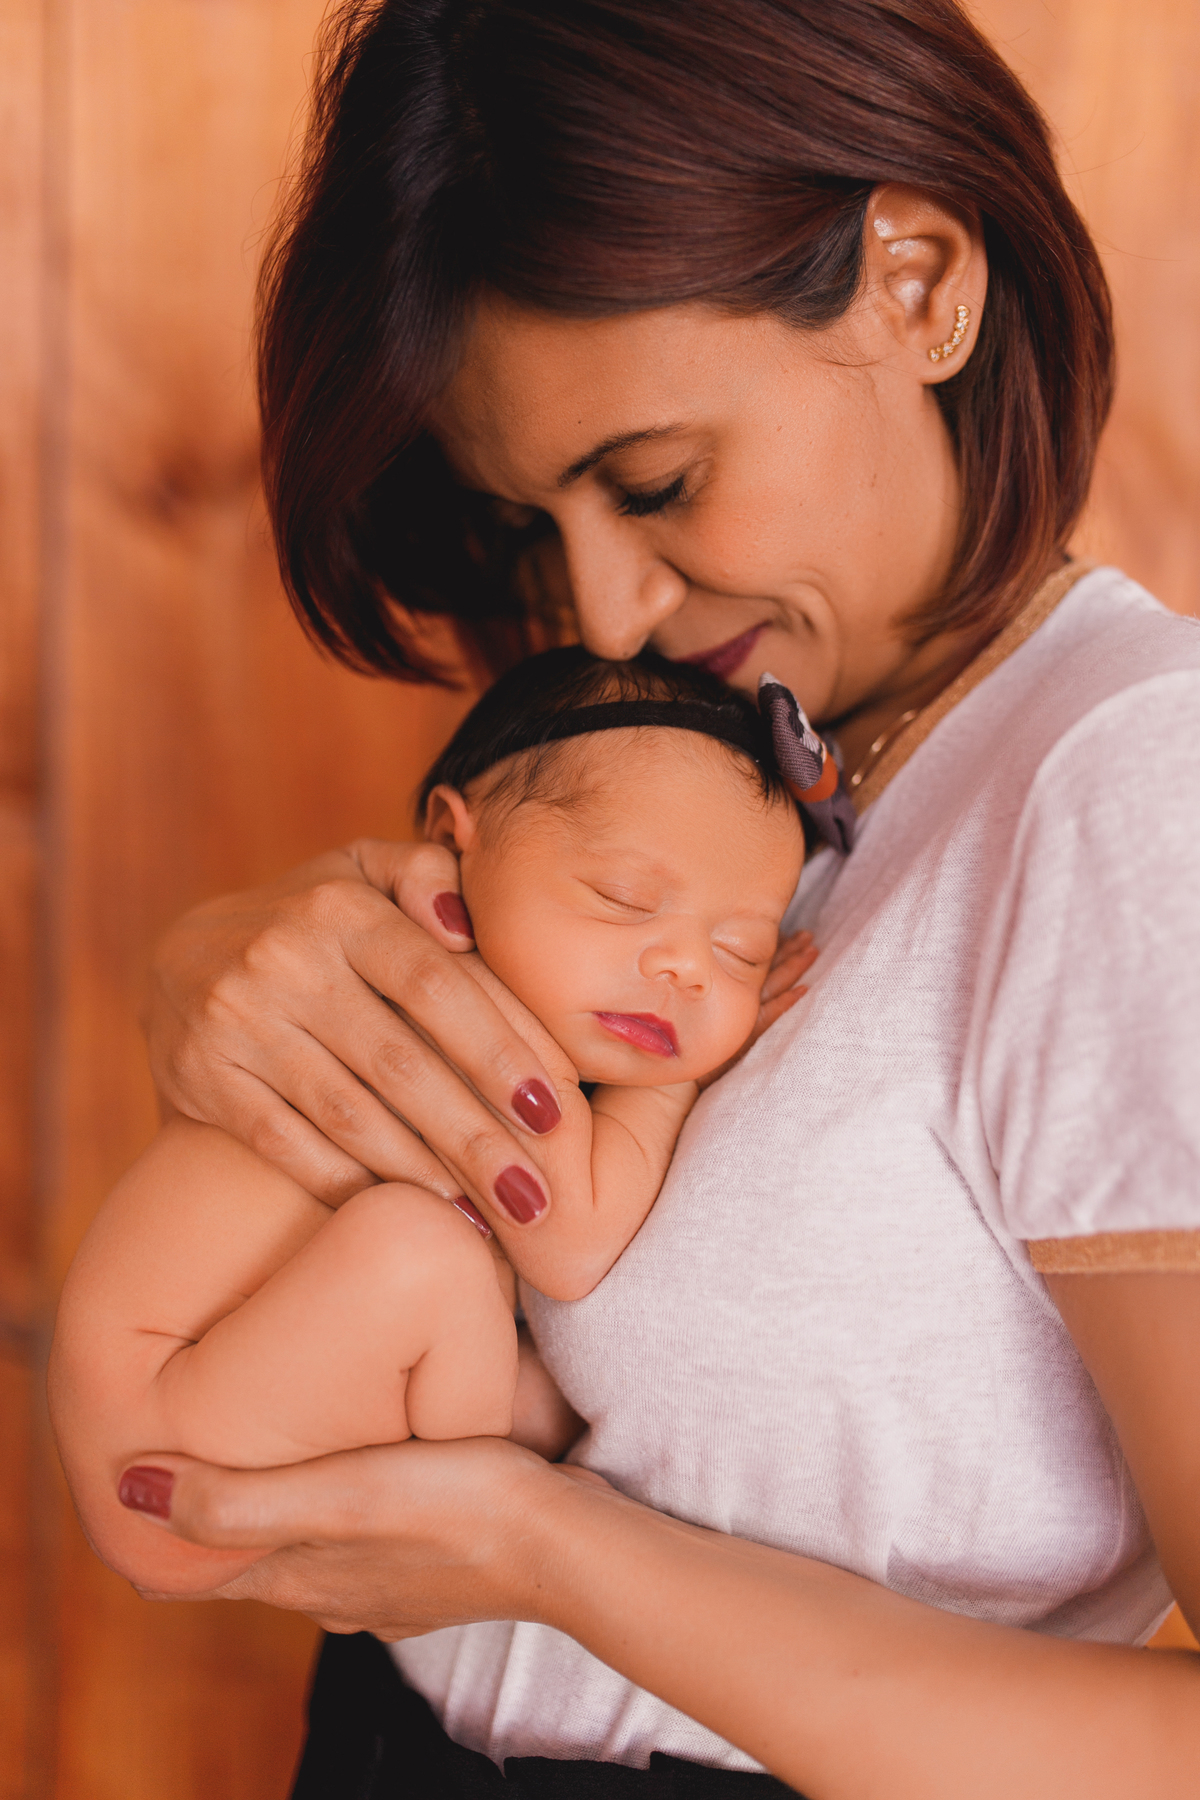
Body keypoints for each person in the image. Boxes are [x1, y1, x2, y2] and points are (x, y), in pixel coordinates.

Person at [57, 1, 1200, 1795]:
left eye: (655, 482)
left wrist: (548, 1554)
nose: (596, 612)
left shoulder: (1129, 788)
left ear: (918, 284)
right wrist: (239, 985)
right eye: (533, 524)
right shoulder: (757, 752)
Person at [49, 649, 807, 1596]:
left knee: (522, 1365)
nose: (686, 969)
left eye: (741, 951)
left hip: (189, 1418)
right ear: (456, 842)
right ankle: (464, 1499)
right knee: (427, 1253)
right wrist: (677, 1084)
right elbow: (572, 1247)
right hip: (169, 1419)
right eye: (623, 898)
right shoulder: (457, 1009)